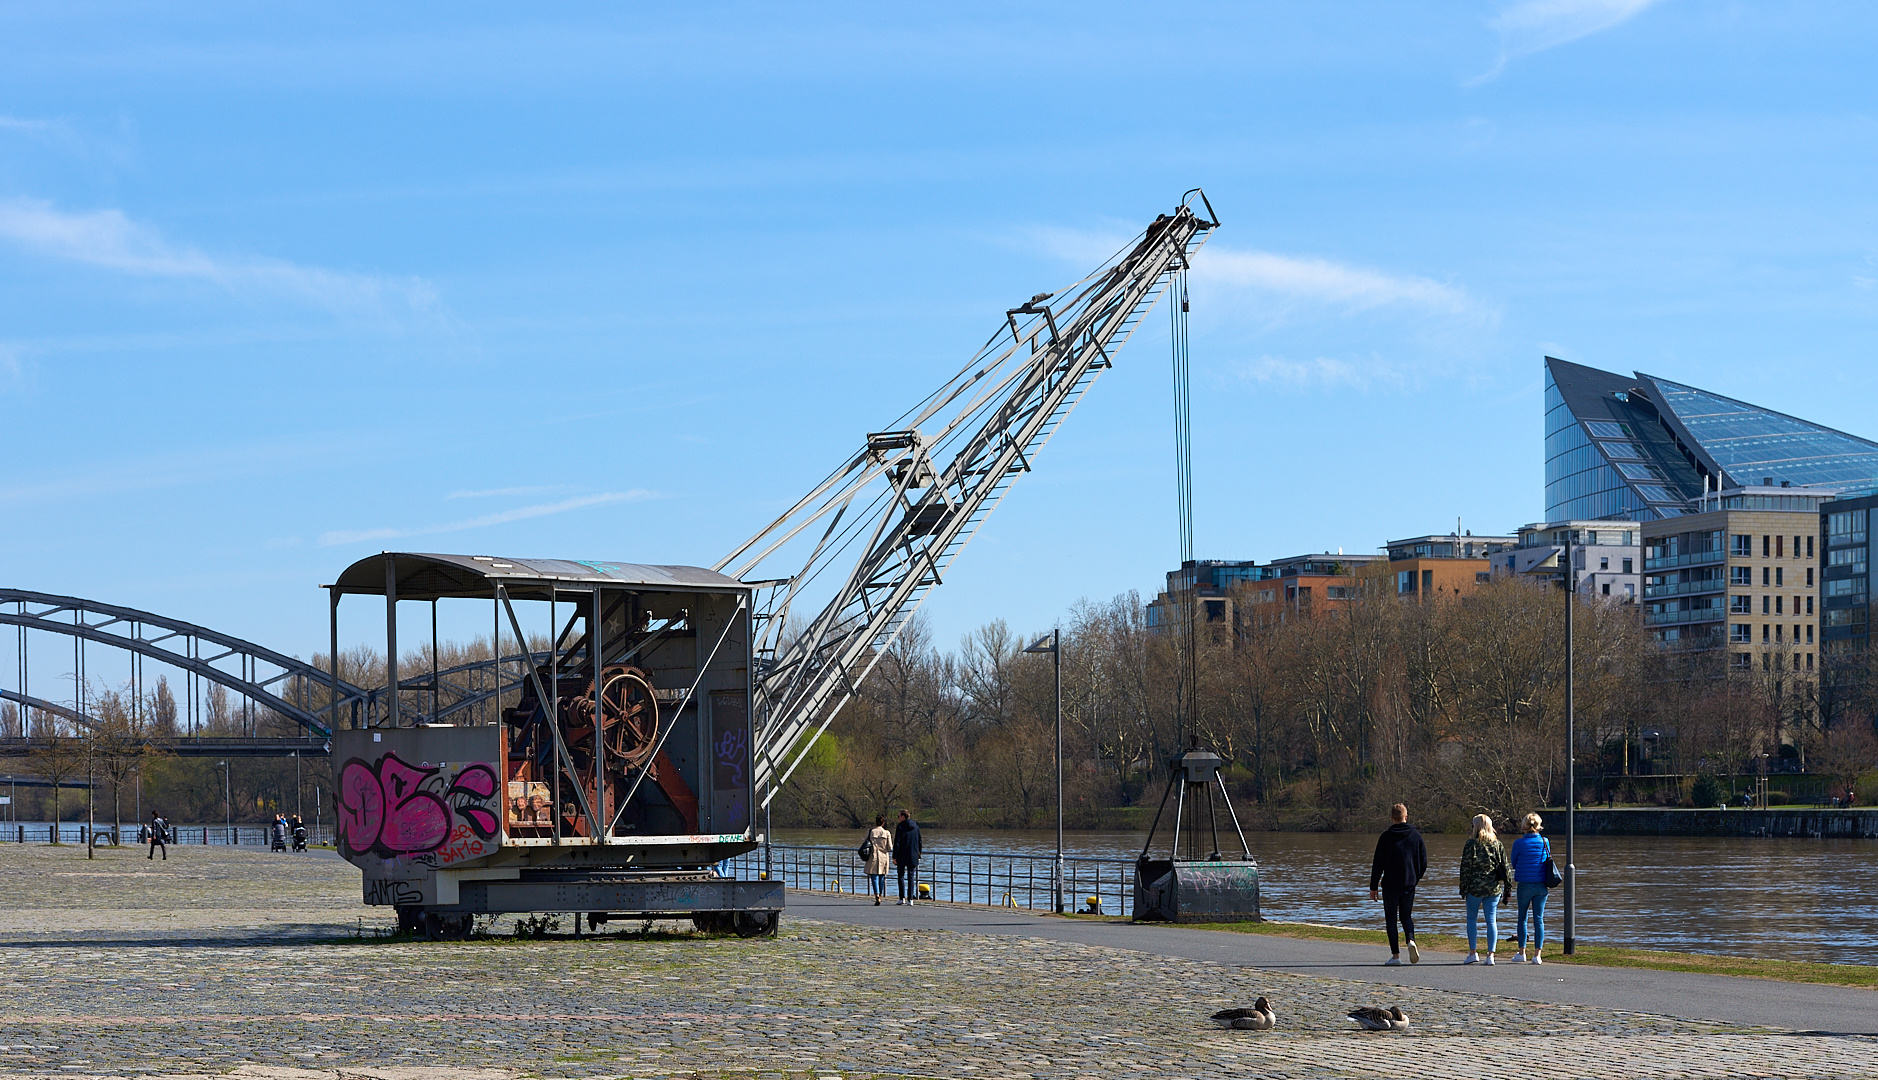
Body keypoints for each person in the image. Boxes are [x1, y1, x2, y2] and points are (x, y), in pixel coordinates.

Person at [1368, 803, 1427, 965]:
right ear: (1406, 817)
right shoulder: (1415, 836)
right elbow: (1424, 861)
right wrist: (1415, 878)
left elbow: (1377, 863)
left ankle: (1396, 956)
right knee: (1406, 916)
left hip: (1390, 884)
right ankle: (1410, 940)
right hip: (1409, 883)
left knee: (1391, 920)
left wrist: (1373, 886)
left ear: (1392, 818)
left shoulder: (1386, 837)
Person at [1458, 813, 1511, 965]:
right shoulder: (1497, 844)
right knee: (1491, 920)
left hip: (1474, 888)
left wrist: (1463, 888)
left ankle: (1473, 952)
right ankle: (1491, 955)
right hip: (1493, 888)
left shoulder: (1471, 844)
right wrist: (1508, 887)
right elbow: (1505, 867)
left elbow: (1465, 868)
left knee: (1471, 919)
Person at [1510, 811, 1552, 964]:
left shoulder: (1518, 843)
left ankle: (1522, 952)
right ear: (1538, 826)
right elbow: (1546, 860)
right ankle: (1537, 955)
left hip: (1524, 885)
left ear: (1524, 826)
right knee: (1539, 920)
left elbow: (1514, 863)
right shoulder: (1544, 841)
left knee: (1522, 918)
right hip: (1541, 885)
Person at [892, 809, 923, 906]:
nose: (898, 818)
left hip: (902, 855)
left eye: (898, 816)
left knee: (901, 876)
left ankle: (902, 898)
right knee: (911, 876)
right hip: (913, 855)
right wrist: (919, 854)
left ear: (903, 816)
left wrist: (894, 856)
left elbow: (897, 842)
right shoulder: (916, 827)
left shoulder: (900, 827)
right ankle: (910, 899)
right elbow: (920, 841)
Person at [863, 814, 893, 905]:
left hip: (873, 856)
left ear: (875, 822)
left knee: (874, 876)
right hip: (883, 856)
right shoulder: (887, 833)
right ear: (883, 823)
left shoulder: (871, 832)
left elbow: (865, 843)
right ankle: (880, 894)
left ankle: (876, 893)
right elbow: (890, 847)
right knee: (882, 877)